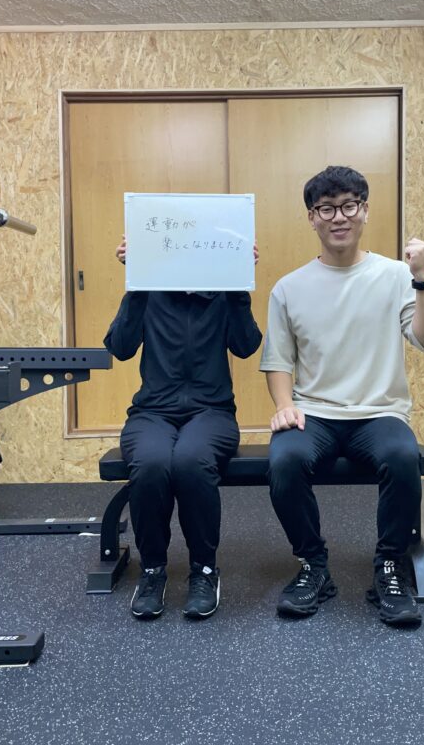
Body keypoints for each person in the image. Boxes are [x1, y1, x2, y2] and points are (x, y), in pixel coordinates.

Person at [260, 165, 424, 627]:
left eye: (348, 206)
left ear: (364, 211)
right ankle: (313, 565)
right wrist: (284, 406)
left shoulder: (396, 276)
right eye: (326, 209)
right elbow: (278, 360)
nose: (338, 217)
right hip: (315, 413)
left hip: (379, 413)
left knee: (402, 457)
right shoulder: (289, 288)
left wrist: (423, 278)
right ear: (312, 218)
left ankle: (389, 567)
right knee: (284, 460)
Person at [105, 237, 262, 620]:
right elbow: (120, 347)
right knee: (152, 463)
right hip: (152, 413)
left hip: (212, 413)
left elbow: (246, 345)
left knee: (191, 461)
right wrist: (137, 282)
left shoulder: (222, 295)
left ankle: (204, 571)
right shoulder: (151, 292)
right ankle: (153, 570)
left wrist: (238, 282)